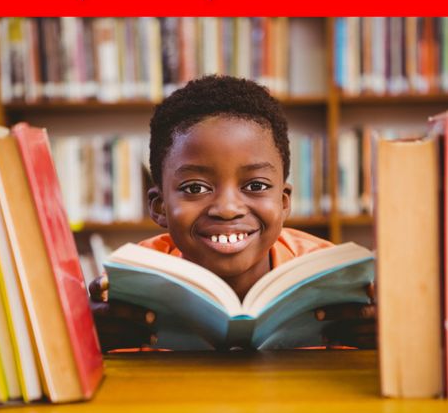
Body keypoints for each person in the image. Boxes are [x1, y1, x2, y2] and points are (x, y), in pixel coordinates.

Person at [90, 75, 376, 351]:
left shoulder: (327, 275)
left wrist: (381, 338)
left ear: (284, 202)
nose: (227, 209)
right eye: (194, 188)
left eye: (255, 185)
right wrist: (86, 337)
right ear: (159, 206)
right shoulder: (133, 283)